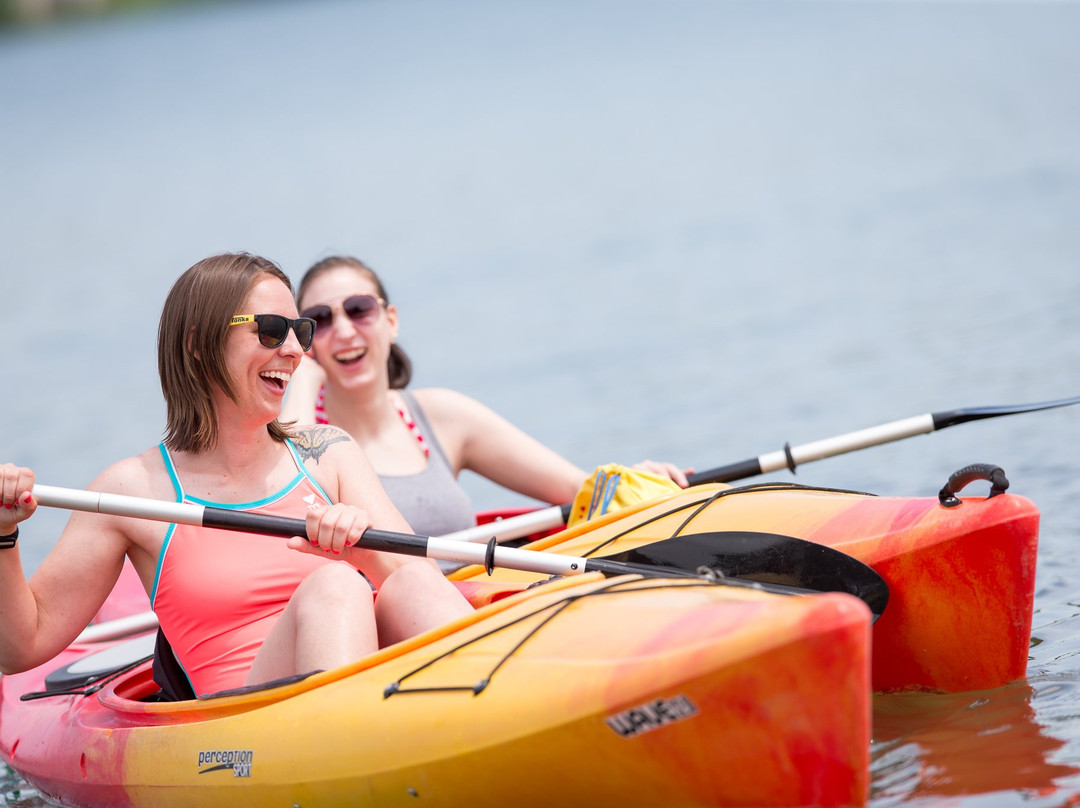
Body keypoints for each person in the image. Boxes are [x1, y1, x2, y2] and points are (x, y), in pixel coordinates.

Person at [0, 253, 473, 697]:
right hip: (245, 734)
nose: (294, 351)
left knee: (412, 580)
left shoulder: (328, 453)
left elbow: (420, 589)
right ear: (197, 346)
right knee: (336, 586)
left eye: (299, 331)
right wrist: (3, 532)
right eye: (270, 331)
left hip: (351, 687)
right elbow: (23, 648)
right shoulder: (132, 490)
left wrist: (361, 551)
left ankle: (493, 716)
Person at [281, 255, 690, 538]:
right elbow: (287, 499)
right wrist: (301, 380)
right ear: (307, 339)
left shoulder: (440, 415)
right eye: (319, 320)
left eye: (358, 309)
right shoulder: (306, 435)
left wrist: (638, 479)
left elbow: (581, 490)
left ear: (391, 321)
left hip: (475, 612)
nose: (345, 330)